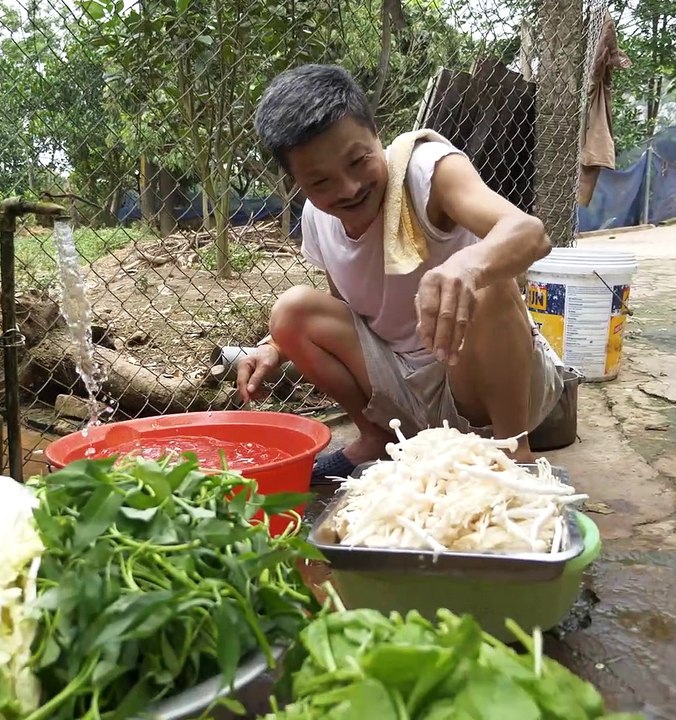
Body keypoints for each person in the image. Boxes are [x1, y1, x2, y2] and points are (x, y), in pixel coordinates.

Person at [239, 64, 565, 483]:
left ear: (377, 135)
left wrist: (467, 266)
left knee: (490, 282)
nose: (348, 188)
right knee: (291, 312)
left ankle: (513, 453)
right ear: (296, 183)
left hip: (480, 381)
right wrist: (274, 346)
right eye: (320, 182)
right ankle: (377, 438)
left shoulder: (428, 169)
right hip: (403, 391)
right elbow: (346, 309)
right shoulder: (318, 220)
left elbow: (530, 233)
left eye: (358, 161)